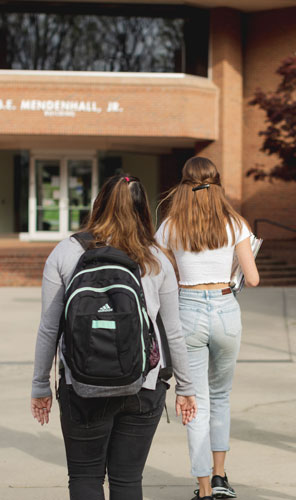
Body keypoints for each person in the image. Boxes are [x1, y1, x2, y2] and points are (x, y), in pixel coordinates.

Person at [31, 174, 197, 500]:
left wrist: (39, 386)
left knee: (84, 477)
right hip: (143, 385)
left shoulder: (66, 252)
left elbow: (49, 327)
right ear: (143, 209)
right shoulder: (155, 257)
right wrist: (186, 387)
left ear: (98, 203)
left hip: (81, 384)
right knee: (127, 481)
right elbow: (173, 331)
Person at [156, 156, 259, 500]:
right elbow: (254, 278)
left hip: (188, 310)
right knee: (220, 397)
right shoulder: (236, 224)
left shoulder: (171, 225)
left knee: (193, 400)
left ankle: (202, 488)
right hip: (226, 308)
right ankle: (219, 477)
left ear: (184, 184)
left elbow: (157, 271)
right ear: (217, 183)